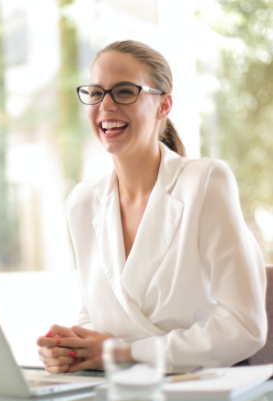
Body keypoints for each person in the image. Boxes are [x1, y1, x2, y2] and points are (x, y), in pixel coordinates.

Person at [37, 40, 267, 374]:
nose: (106, 105)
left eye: (125, 91)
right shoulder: (83, 203)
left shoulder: (205, 182)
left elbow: (245, 327)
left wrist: (123, 352)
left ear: (164, 105)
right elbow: (94, 313)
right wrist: (71, 349)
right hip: (119, 390)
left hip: (200, 387)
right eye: (96, 92)